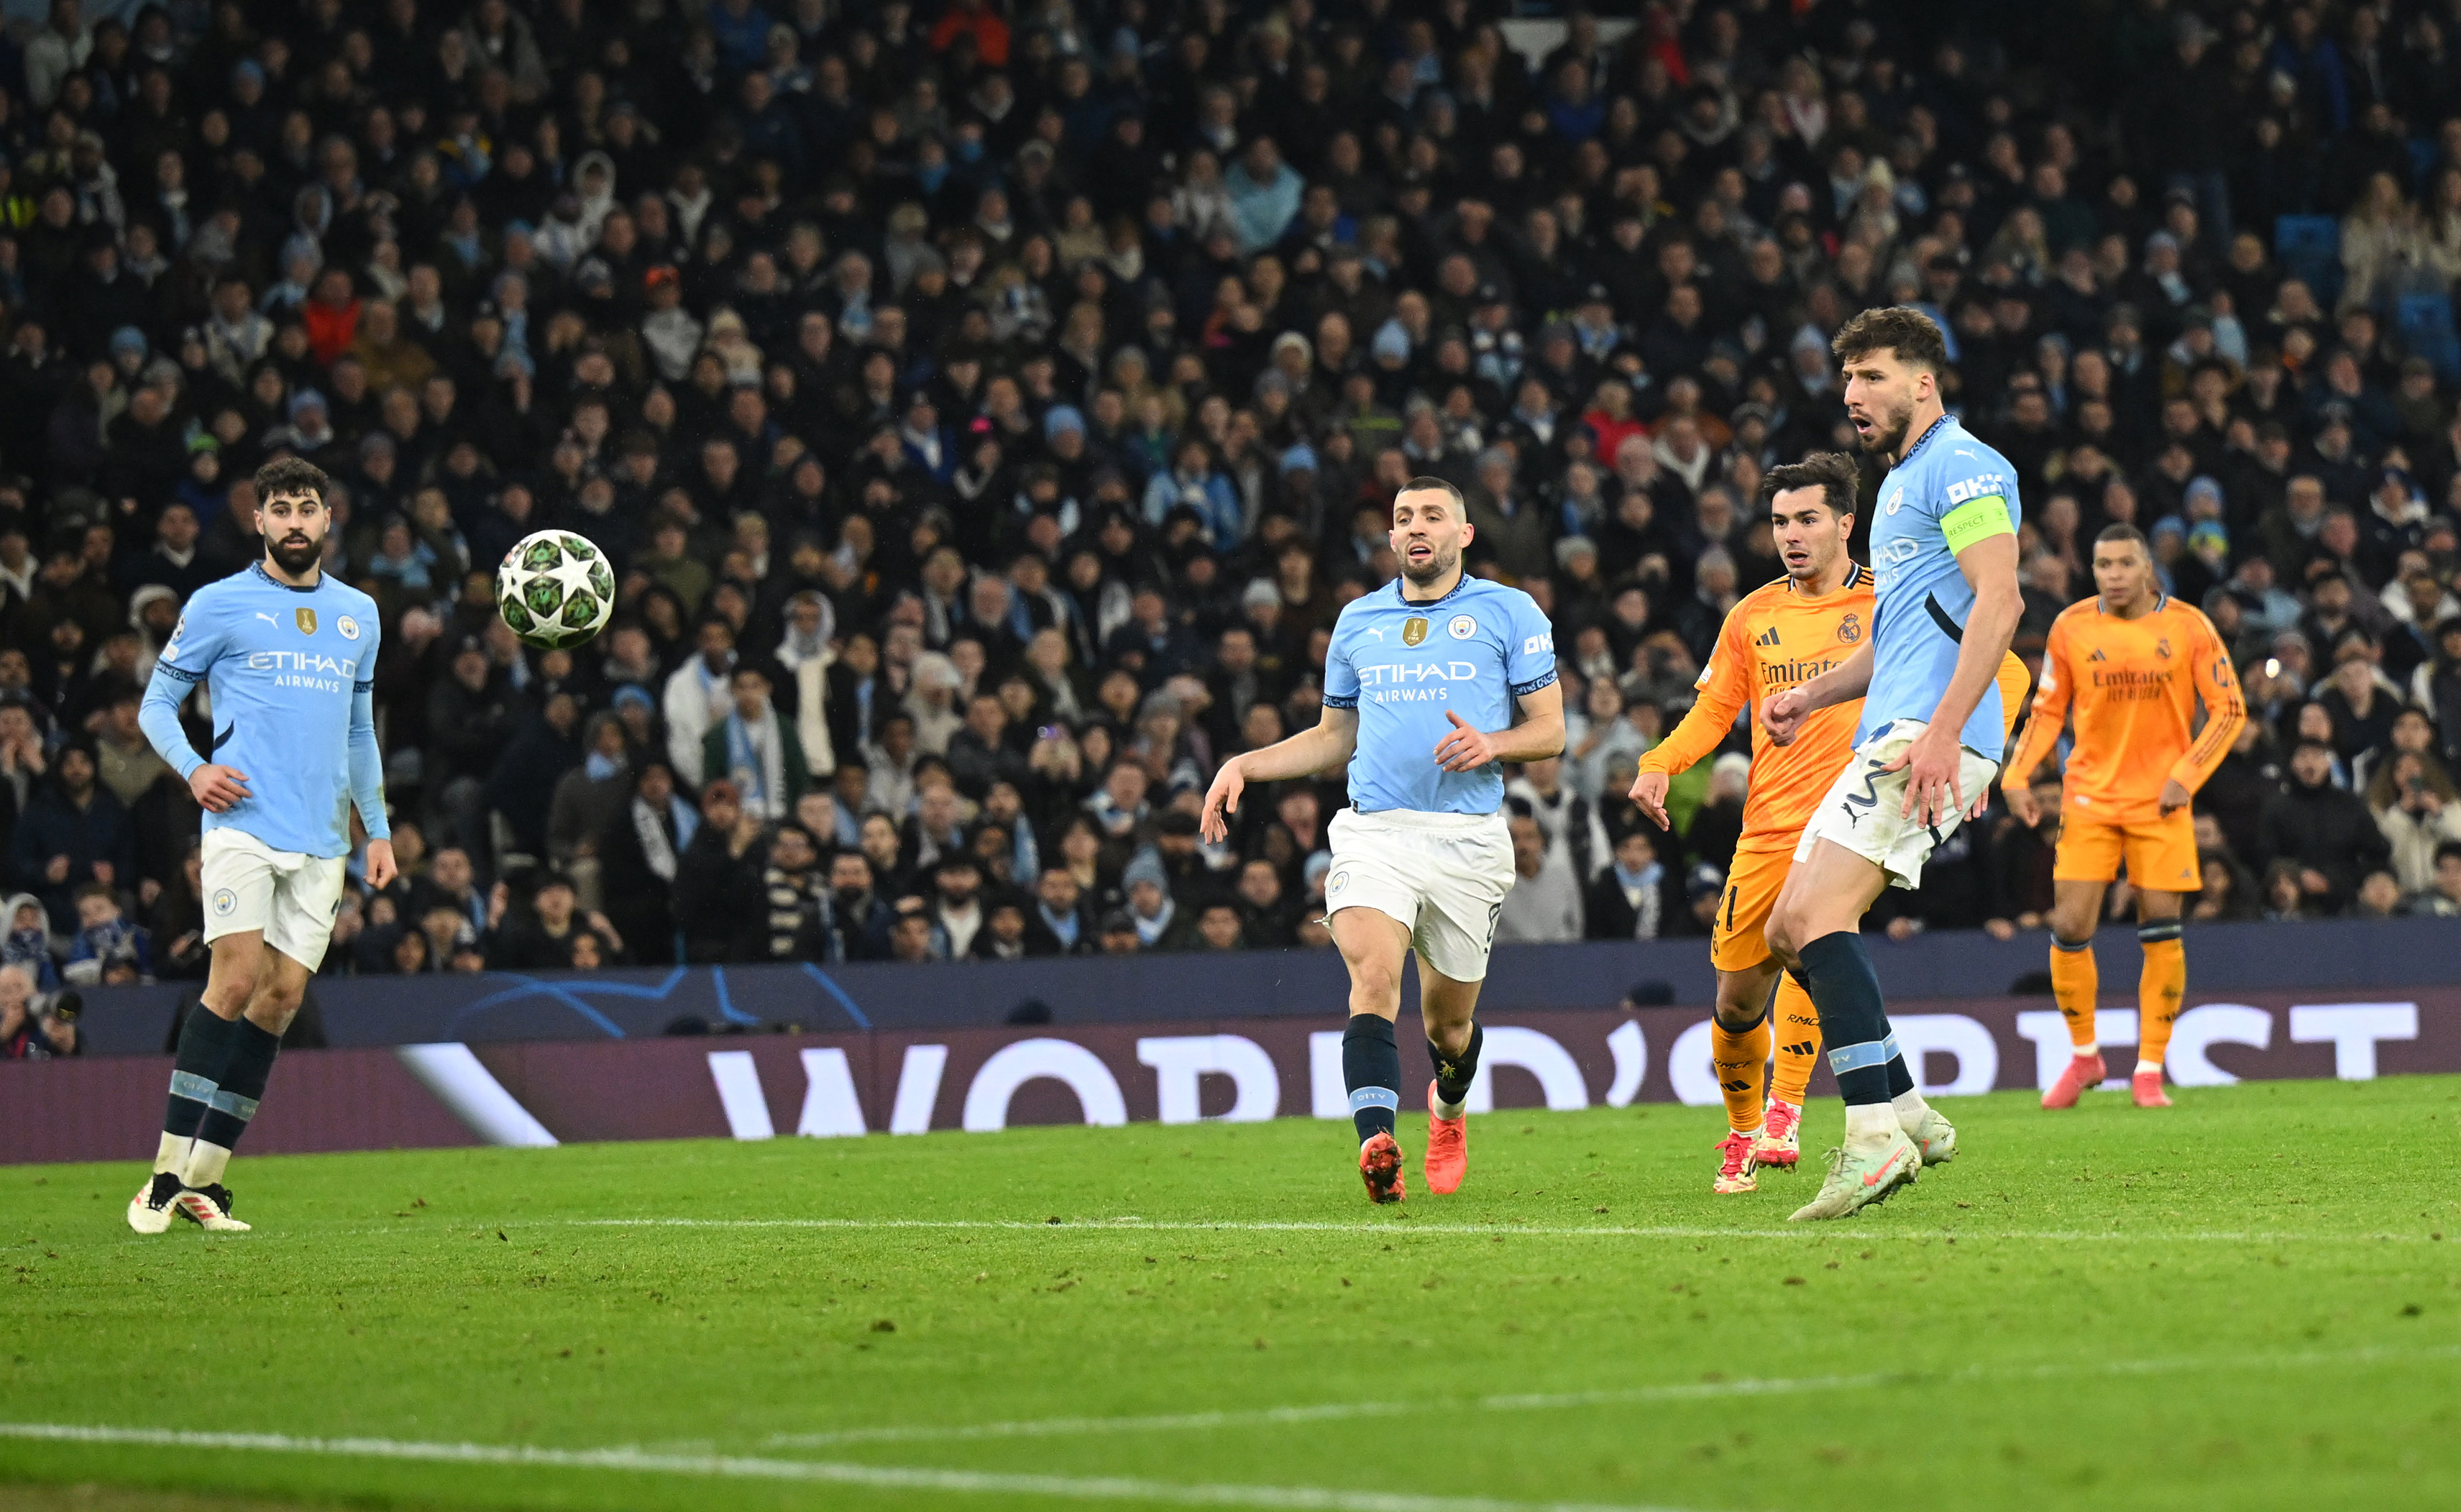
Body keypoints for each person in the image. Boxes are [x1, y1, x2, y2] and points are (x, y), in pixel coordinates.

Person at [1631, 453, 2030, 1193]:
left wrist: (1973, 747)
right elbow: (1715, 711)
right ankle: (1750, 1127)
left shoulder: (1896, 597)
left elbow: (2006, 668)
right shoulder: (1752, 615)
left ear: (1847, 524)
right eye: (1780, 521)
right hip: (1767, 825)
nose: (1791, 534)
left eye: (1808, 519)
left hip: (1848, 811)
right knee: (1736, 998)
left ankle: (1788, 1112)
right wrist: (1661, 761)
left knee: (1816, 933)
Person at [1199, 477, 1562, 1204]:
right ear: (1392, 539)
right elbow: (1334, 738)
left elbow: (1550, 732)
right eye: (1403, 518)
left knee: (1448, 1029)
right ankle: (1376, 1139)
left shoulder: (1508, 609)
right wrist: (1246, 762)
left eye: (1432, 515)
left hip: (1466, 839)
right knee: (1371, 978)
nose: (1415, 526)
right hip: (1376, 831)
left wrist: (1492, 744)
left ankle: (1447, 1110)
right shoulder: (1359, 620)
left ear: (1463, 533)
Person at [1760, 308, 2025, 1222]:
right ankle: (1907, 1112)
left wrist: (1948, 730)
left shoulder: (1966, 465)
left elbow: (2002, 599)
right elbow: (1901, 633)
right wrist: (1815, 693)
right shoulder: (1906, 480)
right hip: (1897, 722)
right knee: (1789, 931)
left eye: (1870, 377)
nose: (1851, 397)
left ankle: (1871, 1140)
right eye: (1846, 381)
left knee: (1819, 915)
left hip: (1930, 734)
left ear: (1923, 381)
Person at [129, 456, 395, 1233]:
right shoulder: (220, 604)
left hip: (321, 839)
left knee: (281, 998)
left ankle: (205, 1181)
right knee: (237, 977)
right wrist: (194, 770)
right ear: (259, 520)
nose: (294, 522)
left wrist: (375, 831)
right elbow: (157, 703)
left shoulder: (360, 615)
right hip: (241, 822)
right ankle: (162, 1175)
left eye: (306, 507)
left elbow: (358, 732)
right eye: (279, 509)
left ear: (327, 518)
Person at [2003, 523, 2247, 1110]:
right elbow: (2046, 709)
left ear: (2146, 569)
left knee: (2160, 924)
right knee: (2068, 926)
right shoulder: (2070, 626)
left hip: (2158, 800)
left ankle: (2148, 1070)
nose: (2112, 575)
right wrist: (2015, 774)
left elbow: (2228, 709)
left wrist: (2183, 777)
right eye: (2101, 564)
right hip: (2089, 797)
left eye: (2123, 564)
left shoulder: (2187, 624)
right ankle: (2085, 1055)